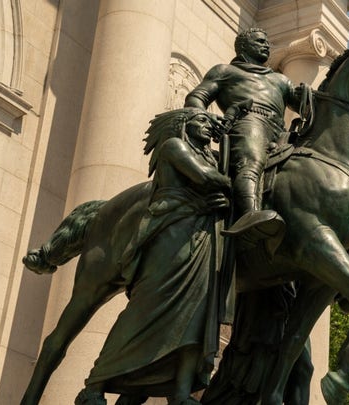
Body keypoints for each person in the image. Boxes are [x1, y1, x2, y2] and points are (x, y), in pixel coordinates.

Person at [74, 108, 231, 405]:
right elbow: (206, 178)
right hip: (171, 231)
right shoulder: (175, 146)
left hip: (201, 237)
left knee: (195, 318)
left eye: (211, 124)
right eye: (201, 121)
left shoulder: (208, 154)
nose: (208, 128)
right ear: (182, 124)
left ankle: (183, 393)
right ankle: (95, 383)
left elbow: (215, 179)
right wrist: (238, 181)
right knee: (144, 311)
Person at [184, 27, 301, 235]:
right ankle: (249, 216)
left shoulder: (280, 80)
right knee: (251, 159)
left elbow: (302, 104)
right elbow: (196, 97)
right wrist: (205, 118)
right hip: (247, 121)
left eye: (267, 42)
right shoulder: (225, 71)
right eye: (260, 41)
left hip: (279, 130)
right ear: (244, 46)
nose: (266, 45)